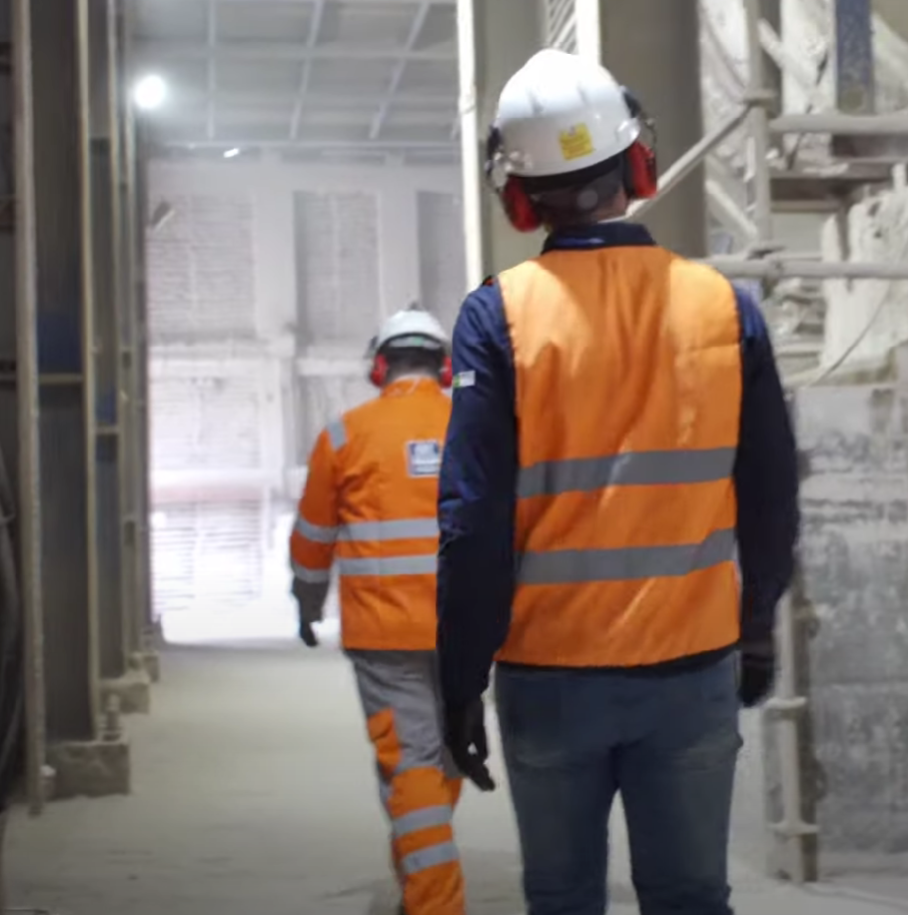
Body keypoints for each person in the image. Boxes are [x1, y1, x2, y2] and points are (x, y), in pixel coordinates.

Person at [434, 48, 801, 915]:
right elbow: (772, 494)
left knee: (561, 898)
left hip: (548, 674)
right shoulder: (722, 305)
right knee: (688, 896)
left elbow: (471, 520)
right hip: (692, 668)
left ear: (517, 195)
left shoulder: (498, 315)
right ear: (638, 164)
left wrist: (458, 679)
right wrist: (755, 630)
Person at [289, 302, 489, 915]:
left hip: (385, 635)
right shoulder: (474, 427)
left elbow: (313, 536)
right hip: (464, 630)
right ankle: (419, 879)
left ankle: (434, 901)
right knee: (441, 753)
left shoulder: (346, 435)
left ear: (380, 367)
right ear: (446, 366)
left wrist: (307, 602)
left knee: (411, 764)